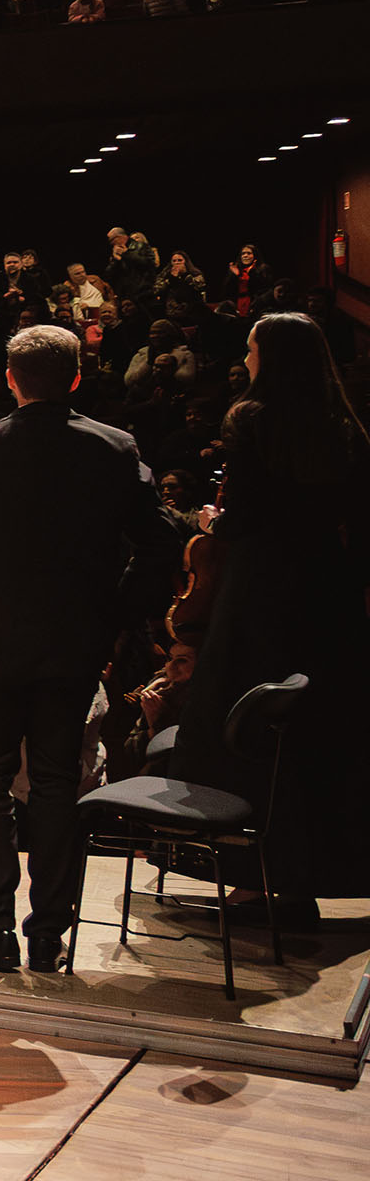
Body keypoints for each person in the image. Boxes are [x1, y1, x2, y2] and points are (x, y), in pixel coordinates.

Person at [0, 325, 182, 973]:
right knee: (56, 783)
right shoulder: (114, 448)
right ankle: (47, 936)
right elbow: (159, 545)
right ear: (76, 377)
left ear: (9, 379)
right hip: (72, 643)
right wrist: (114, 614)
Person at [164, 313, 370, 924]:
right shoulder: (345, 427)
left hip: (259, 593)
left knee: (239, 727)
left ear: (269, 357)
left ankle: (249, 883)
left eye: (251, 349)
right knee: (314, 732)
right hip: (326, 596)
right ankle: (304, 879)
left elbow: (245, 516)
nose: (246, 359)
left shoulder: (250, 418)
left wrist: (209, 523)